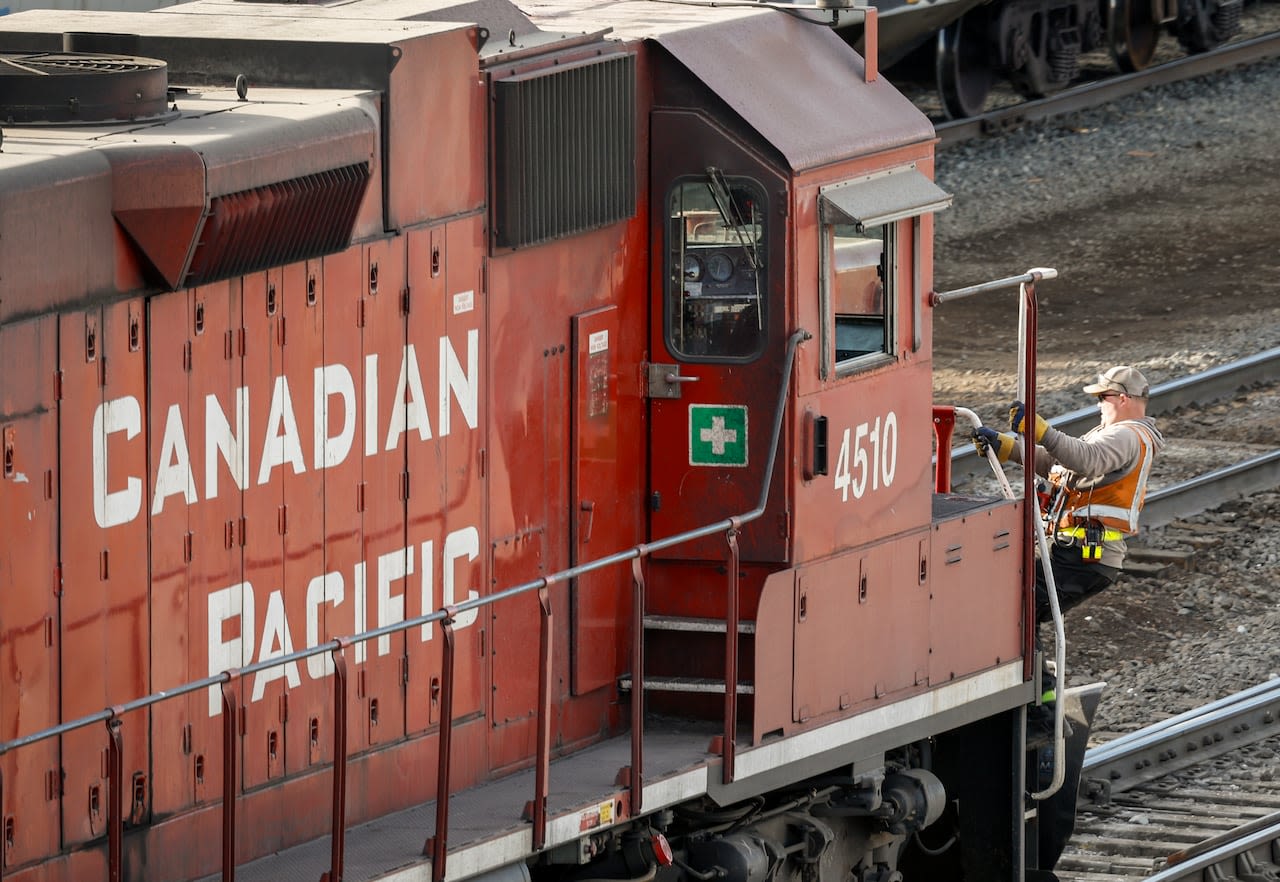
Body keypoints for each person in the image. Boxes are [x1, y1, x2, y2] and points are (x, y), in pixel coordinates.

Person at [973, 366, 1166, 732]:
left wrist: (1042, 431)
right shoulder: (1110, 435)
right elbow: (1062, 468)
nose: (1097, 406)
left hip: (1086, 557)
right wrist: (1009, 446)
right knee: (1018, 608)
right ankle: (1034, 703)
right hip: (1071, 552)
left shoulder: (1128, 436)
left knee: (1020, 612)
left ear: (1122, 399)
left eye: (1102, 398)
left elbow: (1084, 459)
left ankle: (1041, 715)